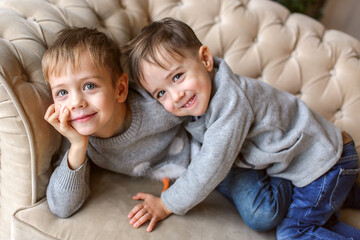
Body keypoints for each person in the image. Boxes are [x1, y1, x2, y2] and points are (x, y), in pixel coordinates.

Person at [122, 17, 360, 239]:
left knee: (293, 232)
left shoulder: (232, 103)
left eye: (177, 77)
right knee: (319, 221)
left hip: (326, 162)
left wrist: (166, 204)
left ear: (205, 59)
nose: (176, 96)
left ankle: (344, 189)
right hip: (303, 162)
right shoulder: (198, 101)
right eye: (161, 93)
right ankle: (348, 194)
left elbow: (211, 165)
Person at [42, 27, 192, 232]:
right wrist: (78, 146)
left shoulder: (156, 106)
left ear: (120, 89)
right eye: (62, 92)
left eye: (89, 86)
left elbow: (205, 106)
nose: (76, 102)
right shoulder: (76, 134)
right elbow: (62, 207)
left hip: (209, 159)